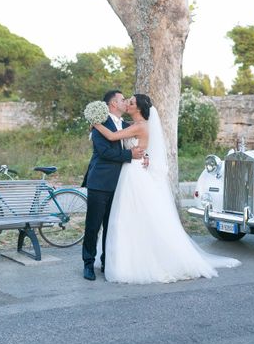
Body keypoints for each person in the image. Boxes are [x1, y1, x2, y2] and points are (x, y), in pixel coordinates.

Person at [93, 94, 241, 284]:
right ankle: (124, 258)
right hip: (130, 170)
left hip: (134, 173)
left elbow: (113, 136)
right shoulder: (133, 124)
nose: (127, 104)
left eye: (131, 103)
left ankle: (137, 262)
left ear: (138, 108)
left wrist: (95, 123)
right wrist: (144, 154)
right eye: (127, 101)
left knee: (134, 216)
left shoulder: (140, 126)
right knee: (127, 217)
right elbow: (123, 132)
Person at [81, 90, 147, 281]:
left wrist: (145, 155)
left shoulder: (126, 125)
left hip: (121, 184)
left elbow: (138, 142)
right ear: (112, 104)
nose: (125, 102)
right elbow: (103, 152)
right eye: (121, 100)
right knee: (93, 226)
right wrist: (129, 156)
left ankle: (106, 261)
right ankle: (88, 264)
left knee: (112, 226)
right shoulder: (99, 125)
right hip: (100, 182)